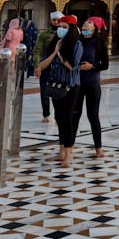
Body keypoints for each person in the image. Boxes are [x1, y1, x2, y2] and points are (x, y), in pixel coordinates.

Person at [35, 14, 82, 167]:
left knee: (67, 119)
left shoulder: (77, 45)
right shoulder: (56, 43)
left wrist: (60, 53)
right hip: (56, 85)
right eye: (60, 27)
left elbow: (71, 66)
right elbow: (44, 63)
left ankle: (68, 155)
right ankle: (61, 151)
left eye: (64, 27)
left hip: (70, 86)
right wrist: (55, 51)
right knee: (59, 118)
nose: (61, 29)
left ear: (72, 29)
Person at [74, 16, 109, 158]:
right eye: (84, 23)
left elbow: (105, 65)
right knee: (74, 115)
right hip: (77, 82)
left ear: (95, 28)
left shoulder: (99, 43)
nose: (85, 25)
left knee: (92, 115)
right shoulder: (78, 41)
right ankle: (68, 146)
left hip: (92, 83)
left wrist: (92, 66)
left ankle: (98, 148)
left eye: (89, 23)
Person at [33, 11, 63, 123]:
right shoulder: (44, 35)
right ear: (50, 21)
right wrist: (37, 66)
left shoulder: (65, 34)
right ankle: (46, 114)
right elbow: (37, 51)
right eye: (54, 20)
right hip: (46, 65)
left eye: (58, 20)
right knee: (44, 91)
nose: (56, 22)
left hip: (59, 67)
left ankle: (58, 115)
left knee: (58, 91)